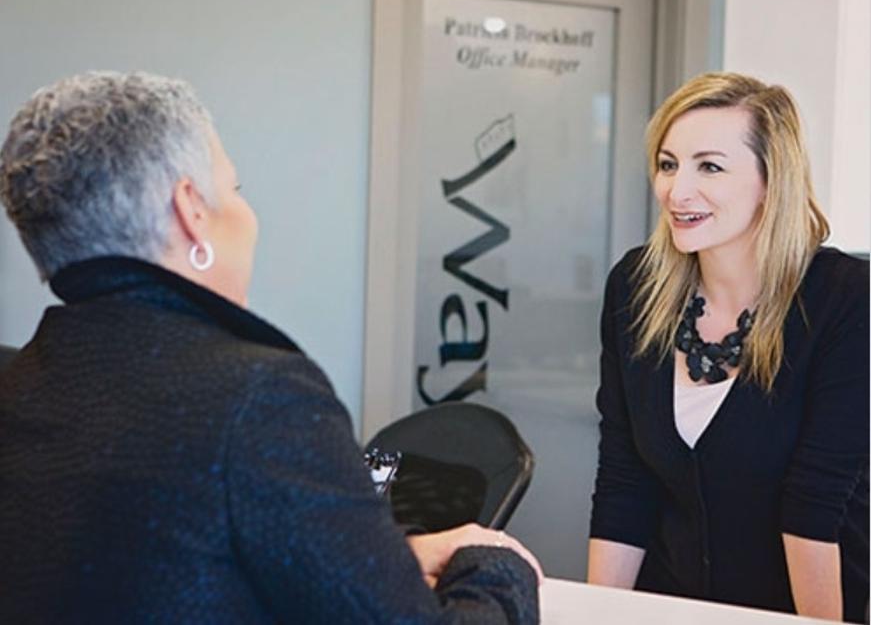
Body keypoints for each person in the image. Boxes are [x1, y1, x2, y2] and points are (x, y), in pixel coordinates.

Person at [0, 71, 542, 623]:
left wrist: (388, 556)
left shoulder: (21, 385)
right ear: (191, 210)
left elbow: (147, 568)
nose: (247, 215)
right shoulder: (259, 400)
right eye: (235, 190)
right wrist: (495, 567)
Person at [587, 72, 869, 622]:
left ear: (772, 180)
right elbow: (624, 481)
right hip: (667, 606)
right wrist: (597, 615)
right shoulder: (636, 287)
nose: (677, 191)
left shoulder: (845, 299)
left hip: (798, 610)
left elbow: (815, 504)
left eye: (709, 167)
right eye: (668, 164)